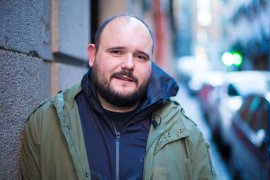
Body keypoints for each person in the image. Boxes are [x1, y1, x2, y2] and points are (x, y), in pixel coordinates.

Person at [20, 14, 216, 180]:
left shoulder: (186, 135)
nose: (129, 64)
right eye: (116, 52)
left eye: (140, 56)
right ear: (92, 55)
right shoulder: (44, 124)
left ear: (150, 65)